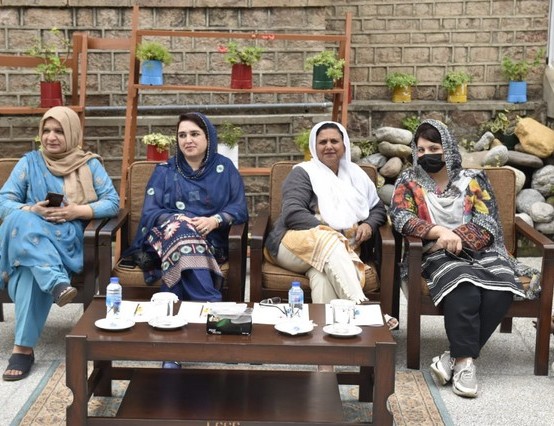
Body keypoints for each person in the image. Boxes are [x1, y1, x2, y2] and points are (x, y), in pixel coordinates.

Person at [389, 119, 539, 398]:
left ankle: (458, 359)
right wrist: (439, 232)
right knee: (464, 286)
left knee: (502, 286)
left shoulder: (472, 180)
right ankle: (465, 364)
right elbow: (401, 217)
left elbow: (486, 221)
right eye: (421, 150)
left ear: (447, 148)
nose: (426, 155)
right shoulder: (409, 181)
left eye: (434, 148)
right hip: (433, 255)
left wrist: (457, 237)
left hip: (481, 251)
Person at [0, 106, 120, 381]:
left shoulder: (89, 164)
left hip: (66, 243)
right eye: (46, 130)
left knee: (27, 265)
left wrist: (76, 211)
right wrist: (33, 210)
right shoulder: (29, 163)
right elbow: (4, 201)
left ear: (73, 133)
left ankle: (23, 351)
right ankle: (55, 284)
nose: (51, 137)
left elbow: (112, 202)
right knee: (22, 218)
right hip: (29, 242)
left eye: (59, 131)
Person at [126, 111, 248, 307]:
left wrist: (214, 221)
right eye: (182, 135)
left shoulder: (225, 168)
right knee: (181, 229)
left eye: (194, 134)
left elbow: (239, 208)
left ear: (208, 137)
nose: (188, 140)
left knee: (183, 235)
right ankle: (208, 303)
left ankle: (171, 304)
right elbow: (150, 212)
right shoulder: (165, 170)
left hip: (211, 242)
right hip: (163, 240)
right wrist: (178, 219)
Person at [264, 121, 389, 307]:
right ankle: (360, 307)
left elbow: (378, 208)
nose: (329, 146)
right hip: (293, 245)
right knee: (330, 241)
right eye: (323, 142)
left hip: (341, 251)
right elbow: (293, 213)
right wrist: (331, 233)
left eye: (334, 141)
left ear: (344, 145)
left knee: (322, 277)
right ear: (314, 147)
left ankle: (325, 323)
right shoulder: (304, 173)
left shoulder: (357, 175)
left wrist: (368, 224)